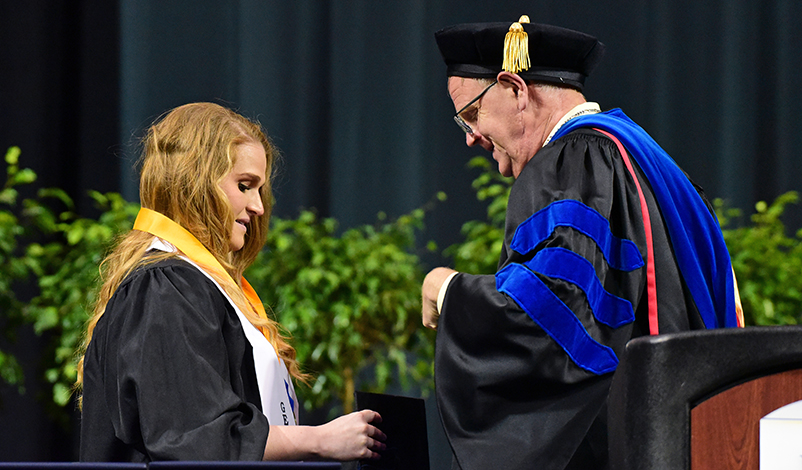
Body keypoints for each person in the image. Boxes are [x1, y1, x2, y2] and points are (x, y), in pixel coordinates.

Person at [421, 16, 744, 470]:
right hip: (689, 429)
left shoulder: (573, 162)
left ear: (515, 89)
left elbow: (553, 315)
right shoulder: (651, 160)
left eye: (471, 114)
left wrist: (448, 289)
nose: (472, 137)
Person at [77, 102, 386, 462]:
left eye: (260, 189)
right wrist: (316, 439)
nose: (257, 206)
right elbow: (198, 438)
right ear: (195, 182)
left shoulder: (200, 284)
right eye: (245, 185)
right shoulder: (165, 287)